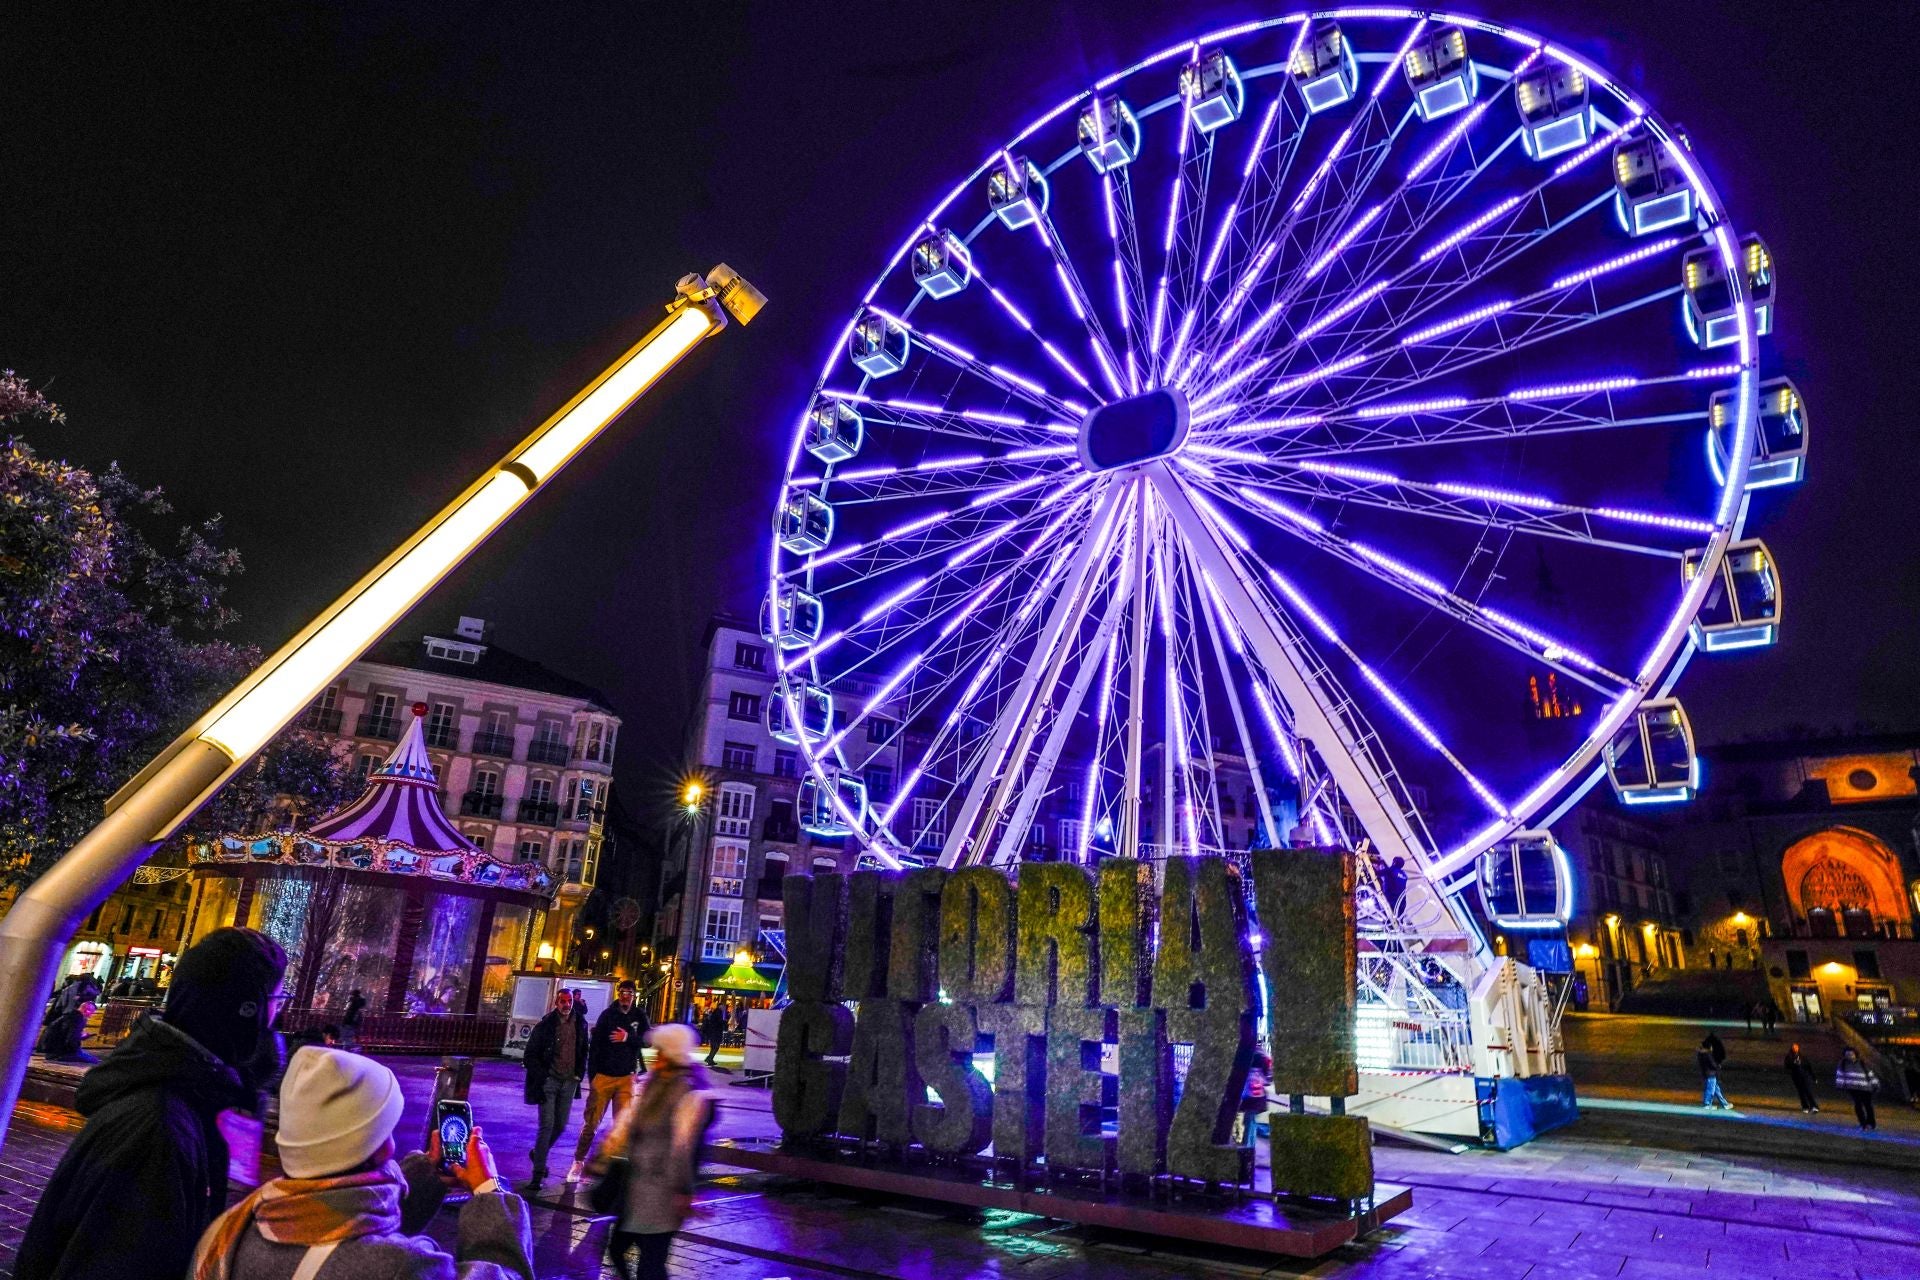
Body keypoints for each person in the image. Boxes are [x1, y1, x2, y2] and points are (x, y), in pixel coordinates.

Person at [15, 927, 287, 1280]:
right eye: (276, 1002)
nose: (276, 1019)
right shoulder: (159, 1132)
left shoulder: (177, 1096)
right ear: (246, 1010)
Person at [189, 1046, 535, 1279]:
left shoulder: (229, 1231)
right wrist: (489, 1191)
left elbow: (347, 1214)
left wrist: (427, 1177)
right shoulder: (397, 1267)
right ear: (380, 1146)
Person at [598, 1024, 717, 1280]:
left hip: (663, 1189)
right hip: (637, 1185)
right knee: (617, 1249)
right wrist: (605, 1155)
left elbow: (685, 1146)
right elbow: (630, 1124)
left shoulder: (686, 1090)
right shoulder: (655, 1081)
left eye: (660, 1051)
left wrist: (686, 1190)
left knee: (650, 1263)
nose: (655, 1055)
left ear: (672, 1053)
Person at [568, 978, 651, 1185]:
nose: (626, 997)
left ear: (634, 995)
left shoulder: (639, 1015)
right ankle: (578, 1161)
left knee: (622, 1125)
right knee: (591, 1123)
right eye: (623, 992)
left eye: (630, 993)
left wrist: (628, 1038)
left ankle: (618, 1169)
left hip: (626, 1077)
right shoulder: (608, 1015)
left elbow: (648, 1040)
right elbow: (594, 1047)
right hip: (604, 1076)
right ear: (618, 994)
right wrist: (593, 1076)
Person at [521, 988, 588, 1193]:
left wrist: (578, 1074)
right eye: (562, 1001)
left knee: (560, 1124)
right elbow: (530, 1055)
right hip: (549, 1081)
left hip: (569, 1082)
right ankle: (538, 1173)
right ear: (556, 1003)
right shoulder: (546, 1025)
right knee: (547, 1126)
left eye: (569, 1001)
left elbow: (583, 1050)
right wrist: (543, 1076)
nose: (566, 1005)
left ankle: (538, 1153)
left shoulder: (580, 1024)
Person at [36, 998, 99, 1064]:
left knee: (86, 1056)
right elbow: (71, 1039)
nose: (91, 1015)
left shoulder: (70, 1015)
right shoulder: (77, 1019)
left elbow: (65, 1033)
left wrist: (81, 1036)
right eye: (91, 1012)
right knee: (94, 1060)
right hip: (59, 1052)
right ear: (86, 1010)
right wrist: (76, 1050)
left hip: (52, 1050)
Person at [1835, 1047, 1879, 1131]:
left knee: (1868, 1105)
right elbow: (1840, 1075)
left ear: (1855, 1054)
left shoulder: (1862, 1063)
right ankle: (1863, 1122)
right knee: (1858, 1105)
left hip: (1865, 1088)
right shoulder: (1843, 1064)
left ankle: (1871, 1122)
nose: (1849, 1056)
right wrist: (1840, 1085)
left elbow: (1870, 1074)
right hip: (1853, 1088)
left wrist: (1875, 1084)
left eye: (1851, 1054)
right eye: (1847, 1054)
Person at [1697, 1035, 1733, 1110]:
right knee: (1710, 1090)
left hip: (1706, 1074)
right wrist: (1718, 1066)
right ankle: (1707, 1104)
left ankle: (1725, 1104)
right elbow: (1713, 1064)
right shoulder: (1707, 1055)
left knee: (1717, 1090)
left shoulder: (1700, 1054)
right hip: (1711, 1074)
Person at [1784, 1043, 1821, 1113]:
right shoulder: (1789, 1057)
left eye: (1796, 1047)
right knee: (1801, 1093)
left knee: (1808, 1091)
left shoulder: (1802, 1057)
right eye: (1794, 1048)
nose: (1795, 1049)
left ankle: (1814, 1106)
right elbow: (1787, 1067)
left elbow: (1808, 1067)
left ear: (1798, 1048)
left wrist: (1814, 1077)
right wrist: (1793, 1064)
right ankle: (1805, 1106)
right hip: (1796, 1078)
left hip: (1804, 1077)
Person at [700, 1002, 728, 1066]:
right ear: (720, 1006)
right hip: (715, 1032)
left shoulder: (715, 1012)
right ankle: (709, 1058)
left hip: (713, 1032)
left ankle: (710, 1059)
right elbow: (719, 1021)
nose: (724, 1008)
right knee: (716, 1047)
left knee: (714, 1047)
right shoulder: (718, 1012)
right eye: (723, 1006)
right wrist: (726, 1022)